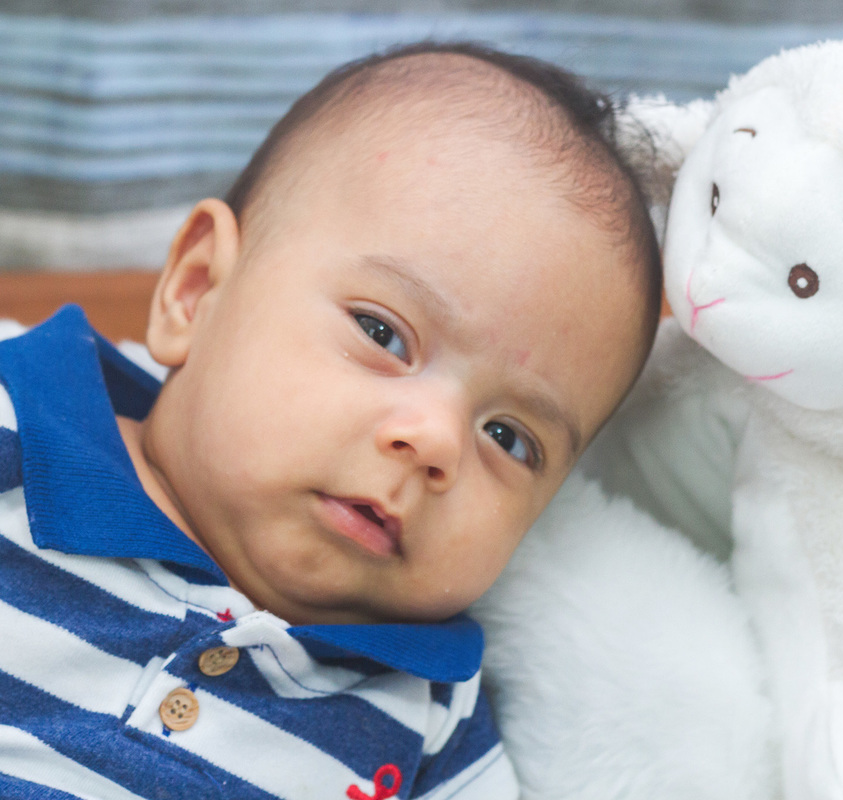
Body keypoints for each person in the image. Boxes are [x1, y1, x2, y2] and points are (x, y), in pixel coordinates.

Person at [0, 41, 661, 800]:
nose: (435, 441)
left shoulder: (427, 715)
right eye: (383, 334)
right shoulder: (20, 428)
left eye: (508, 438)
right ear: (196, 291)